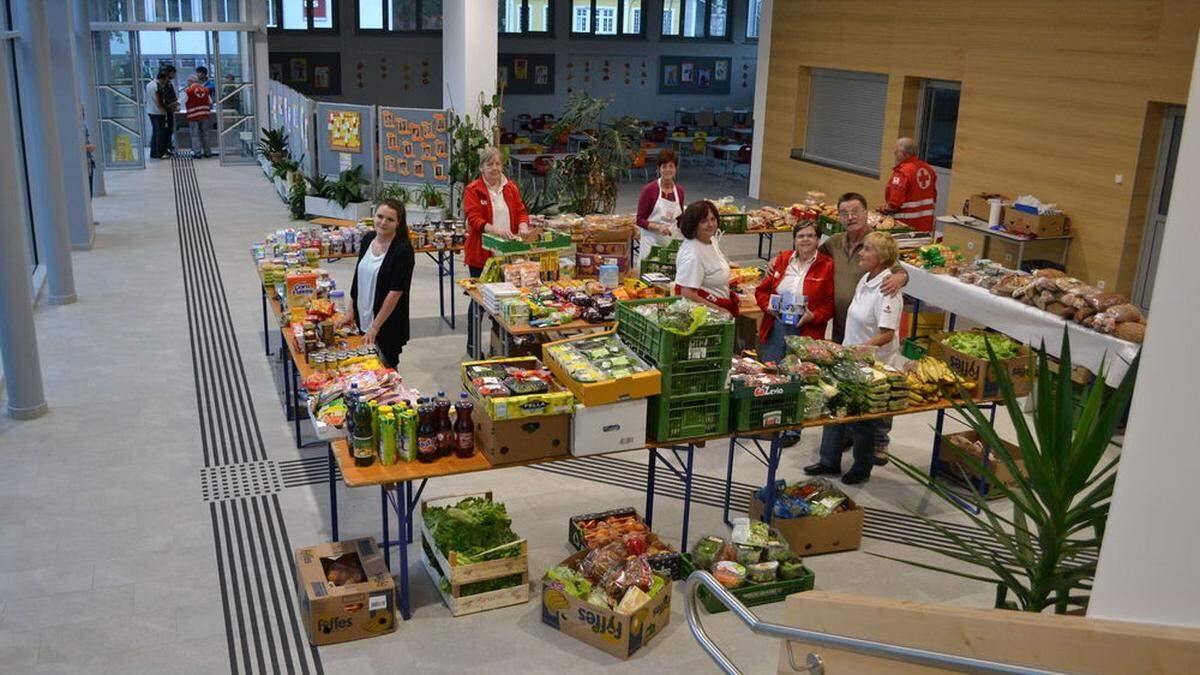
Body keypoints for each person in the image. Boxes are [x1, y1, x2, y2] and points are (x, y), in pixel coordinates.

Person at [805, 231, 902, 485]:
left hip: (871, 364)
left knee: (863, 421)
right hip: (850, 357)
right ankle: (829, 461)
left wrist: (863, 347)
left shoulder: (888, 290)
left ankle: (862, 466)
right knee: (835, 408)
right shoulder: (866, 279)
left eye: (867, 249)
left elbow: (888, 334)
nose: (861, 252)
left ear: (881, 257)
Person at [820, 192, 907, 463]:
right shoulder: (833, 243)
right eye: (844, 213)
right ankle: (848, 435)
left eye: (855, 211)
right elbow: (812, 254)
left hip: (869, 339)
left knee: (877, 394)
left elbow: (900, 270)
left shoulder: (878, 245)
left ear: (866, 212)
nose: (850, 217)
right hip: (844, 327)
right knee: (848, 387)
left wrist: (902, 277)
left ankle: (879, 441)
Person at [754, 220, 835, 447]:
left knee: (797, 379)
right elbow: (761, 291)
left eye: (810, 236)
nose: (805, 240)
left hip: (805, 330)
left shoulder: (827, 266)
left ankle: (792, 428)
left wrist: (813, 316)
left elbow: (829, 304)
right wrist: (767, 307)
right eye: (801, 236)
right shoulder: (782, 260)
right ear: (794, 239)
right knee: (771, 374)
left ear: (818, 240)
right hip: (777, 326)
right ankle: (768, 423)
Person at [341, 199, 415, 369]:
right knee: (365, 371)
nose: (383, 222)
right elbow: (358, 278)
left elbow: (395, 293)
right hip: (363, 318)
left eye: (390, 219)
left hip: (386, 325)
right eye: (380, 216)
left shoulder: (403, 250)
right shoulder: (368, 239)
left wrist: (375, 328)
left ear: (398, 223)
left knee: (385, 371)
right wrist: (351, 311)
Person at [463, 146, 530, 278]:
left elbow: (521, 212)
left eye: (497, 164)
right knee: (480, 296)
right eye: (490, 164)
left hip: (509, 251)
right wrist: (497, 231)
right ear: (481, 168)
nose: (494, 168)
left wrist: (523, 225)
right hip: (482, 253)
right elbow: (474, 219)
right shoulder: (473, 190)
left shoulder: (511, 187)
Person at [674, 200, 738, 315]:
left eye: (713, 219)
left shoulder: (710, 240)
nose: (711, 224)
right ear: (693, 224)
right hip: (705, 315)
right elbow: (688, 294)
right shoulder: (693, 255)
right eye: (704, 221)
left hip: (720, 302)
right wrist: (719, 311)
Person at [635, 149, 685, 265]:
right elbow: (639, 220)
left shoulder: (680, 191)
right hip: (651, 241)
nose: (668, 170)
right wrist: (658, 227)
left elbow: (680, 219)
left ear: (676, 168)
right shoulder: (649, 190)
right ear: (659, 169)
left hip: (671, 242)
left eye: (671, 166)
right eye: (664, 166)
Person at [881, 137, 938, 232]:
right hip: (926, 226)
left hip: (905, 228)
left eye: (896, 152)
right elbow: (933, 197)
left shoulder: (902, 172)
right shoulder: (929, 169)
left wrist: (883, 209)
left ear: (903, 153)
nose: (895, 155)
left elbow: (894, 203)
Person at [183, 69, 214, 158]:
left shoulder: (188, 91)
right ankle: (208, 152)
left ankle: (197, 153)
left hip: (193, 116)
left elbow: (181, 102)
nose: (187, 83)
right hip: (205, 115)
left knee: (195, 134)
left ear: (190, 81)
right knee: (205, 134)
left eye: (188, 81)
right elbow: (210, 101)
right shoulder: (205, 89)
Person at [146, 69, 169, 159]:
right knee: (160, 133)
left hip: (151, 111)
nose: (166, 82)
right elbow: (158, 100)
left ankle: (153, 152)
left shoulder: (149, 84)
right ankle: (159, 153)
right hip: (158, 112)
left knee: (155, 132)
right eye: (166, 80)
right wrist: (164, 110)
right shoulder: (157, 86)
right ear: (162, 79)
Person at [157, 65, 179, 157]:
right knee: (166, 130)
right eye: (173, 73)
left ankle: (168, 146)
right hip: (166, 110)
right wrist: (172, 105)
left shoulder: (168, 83)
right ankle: (165, 148)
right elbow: (165, 98)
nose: (174, 75)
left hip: (169, 109)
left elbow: (172, 97)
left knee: (169, 129)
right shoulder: (163, 84)